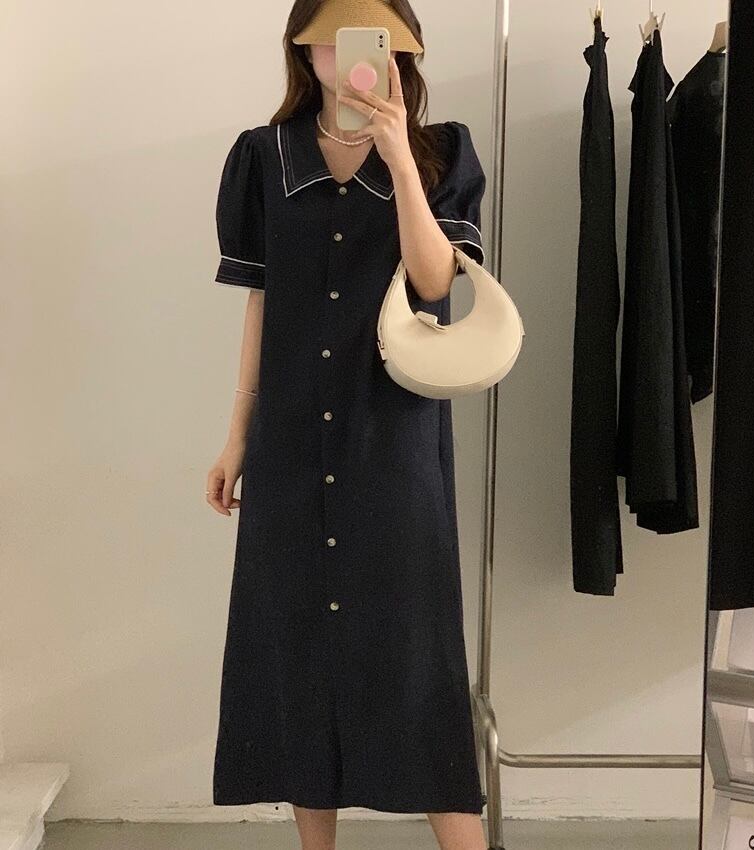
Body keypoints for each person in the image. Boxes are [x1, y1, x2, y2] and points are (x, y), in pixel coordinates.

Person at [204, 1, 489, 848]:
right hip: (290, 438)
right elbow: (261, 305)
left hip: (392, 436)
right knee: (296, 648)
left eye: (371, 35)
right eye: (330, 35)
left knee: (415, 650)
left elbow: (434, 282)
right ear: (304, 48)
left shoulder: (442, 151)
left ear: (403, 50)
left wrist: (399, 157)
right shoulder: (263, 156)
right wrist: (237, 436)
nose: (349, 51)